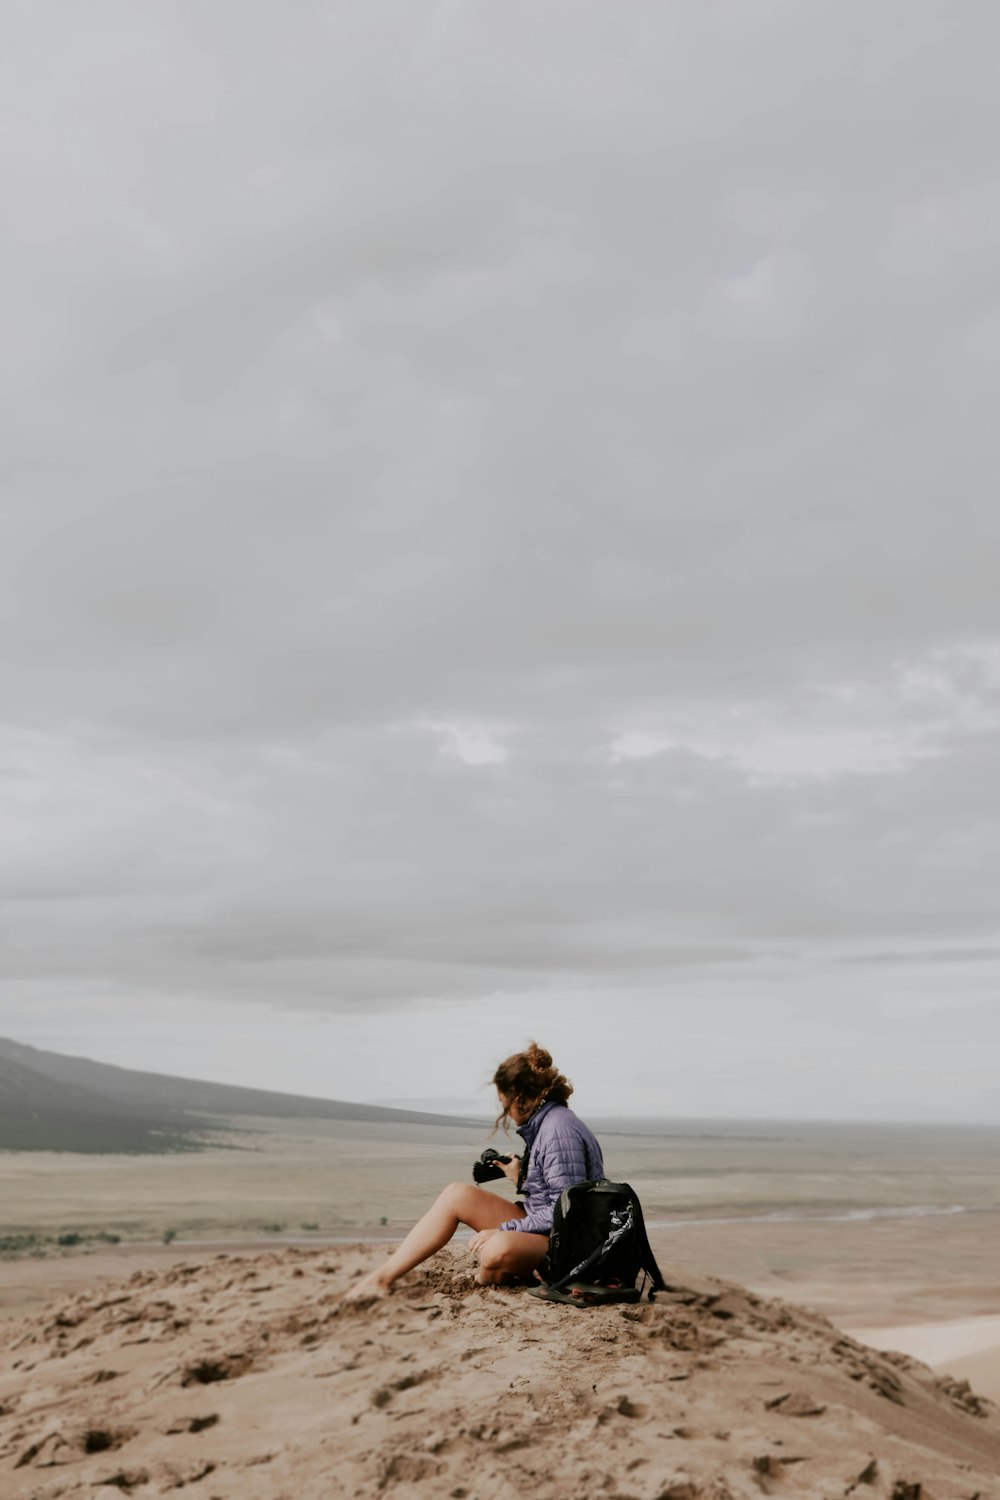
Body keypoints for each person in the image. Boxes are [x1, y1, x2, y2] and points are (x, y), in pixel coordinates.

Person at [344, 1043, 603, 1303]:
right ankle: (383, 1277)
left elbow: (567, 1215)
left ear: (519, 1096)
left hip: (570, 1250)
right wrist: (521, 1178)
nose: (508, 1115)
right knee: (456, 1194)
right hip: (549, 1233)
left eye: (505, 1104)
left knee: (495, 1250)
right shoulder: (547, 1123)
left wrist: (505, 1229)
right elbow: (554, 1194)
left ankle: (492, 1274)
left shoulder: (558, 1130)